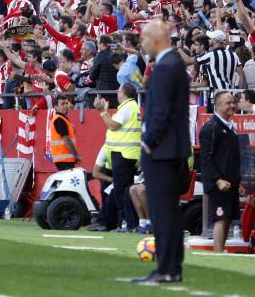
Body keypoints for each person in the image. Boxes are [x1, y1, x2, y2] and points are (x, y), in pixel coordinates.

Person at [135, 20, 190, 284]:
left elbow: (161, 111)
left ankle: (167, 268)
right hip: (169, 149)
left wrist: (149, 142)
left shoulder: (167, 67)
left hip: (162, 150)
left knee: (162, 211)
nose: (141, 43)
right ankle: (171, 267)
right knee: (167, 210)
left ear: (156, 40)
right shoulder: (173, 65)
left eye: (144, 38)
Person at [94, 82, 141, 232]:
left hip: (123, 153)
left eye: (119, 90)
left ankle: (126, 223)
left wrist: (102, 112)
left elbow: (113, 125)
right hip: (127, 153)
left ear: (124, 93)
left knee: (121, 191)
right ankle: (125, 223)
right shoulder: (132, 107)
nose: (117, 93)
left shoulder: (127, 107)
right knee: (123, 190)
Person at [198, 90, 241, 252]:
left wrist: (238, 180)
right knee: (221, 218)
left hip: (231, 182)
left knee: (228, 218)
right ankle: (217, 253)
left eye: (233, 102)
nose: (232, 105)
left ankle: (221, 250)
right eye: (228, 103)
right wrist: (217, 180)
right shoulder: (211, 128)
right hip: (220, 184)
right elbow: (206, 158)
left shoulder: (230, 127)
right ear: (217, 106)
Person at [49, 93, 81, 170]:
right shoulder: (59, 120)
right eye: (62, 104)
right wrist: (76, 156)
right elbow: (67, 141)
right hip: (64, 160)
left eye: (66, 103)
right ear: (56, 107)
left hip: (63, 159)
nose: (65, 106)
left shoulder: (61, 119)